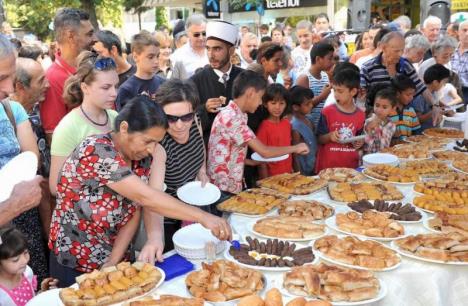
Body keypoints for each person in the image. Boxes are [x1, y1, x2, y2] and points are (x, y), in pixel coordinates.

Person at [49, 96, 231, 286]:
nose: (152, 149)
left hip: (116, 255)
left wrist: (113, 261)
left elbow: (134, 210)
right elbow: (147, 198)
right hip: (75, 259)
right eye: (147, 141)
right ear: (125, 128)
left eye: (156, 142)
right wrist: (203, 217)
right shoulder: (96, 151)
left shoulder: (141, 158)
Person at [207, 70, 309, 195]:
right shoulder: (232, 118)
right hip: (222, 189)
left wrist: (251, 162)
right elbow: (264, 151)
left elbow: (228, 151)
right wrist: (296, 147)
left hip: (230, 184)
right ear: (250, 93)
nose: (261, 103)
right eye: (261, 98)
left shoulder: (238, 114)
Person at [49, 51, 119, 195]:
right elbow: (55, 186)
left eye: (115, 86)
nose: (114, 93)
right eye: (106, 87)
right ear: (85, 87)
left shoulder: (115, 117)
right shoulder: (68, 127)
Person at [150, 79, 207, 250]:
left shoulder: (196, 121)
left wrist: (202, 172)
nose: (180, 125)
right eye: (171, 119)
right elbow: (153, 198)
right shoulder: (159, 145)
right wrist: (155, 239)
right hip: (169, 220)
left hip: (195, 206)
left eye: (186, 117)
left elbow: (200, 148)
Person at [40, 8, 96, 144]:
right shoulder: (53, 79)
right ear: (70, 36)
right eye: (89, 34)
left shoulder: (92, 67)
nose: (94, 39)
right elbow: (54, 137)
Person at [11, 57, 52, 236]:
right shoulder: (9, 121)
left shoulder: (38, 110)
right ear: (20, 86)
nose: (48, 85)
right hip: (25, 216)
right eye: (41, 80)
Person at [360, 31, 440, 121]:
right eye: (396, 51)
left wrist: (434, 105)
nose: (400, 54)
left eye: (402, 50)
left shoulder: (405, 65)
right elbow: (361, 98)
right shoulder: (368, 68)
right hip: (378, 120)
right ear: (384, 48)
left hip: (403, 120)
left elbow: (421, 87)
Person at [191, 20, 243, 145]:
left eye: (217, 49)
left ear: (231, 51)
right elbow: (185, 123)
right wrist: (204, 109)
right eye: (208, 49)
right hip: (210, 154)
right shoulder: (195, 81)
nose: (211, 55)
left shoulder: (245, 78)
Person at [315, 69, 365, 172]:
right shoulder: (327, 112)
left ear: (353, 91)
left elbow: (359, 138)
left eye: (340, 91)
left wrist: (360, 142)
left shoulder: (360, 115)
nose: (336, 94)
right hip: (327, 167)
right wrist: (330, 136)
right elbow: (319, 138)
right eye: (334, 90)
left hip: (350, 167)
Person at [0, 227, 58, 306]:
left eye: (25, 253)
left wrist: (44, 293)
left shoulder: (27, 272)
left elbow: (31, 300)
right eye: (16, 260)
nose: (24, 261)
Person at [115, 32, 165, 110]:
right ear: (135, 57)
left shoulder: (164, 83)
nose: (156, 61)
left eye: (157, 56)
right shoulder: (126, 90)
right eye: (150, 57)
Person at [256, 84, 292, 178]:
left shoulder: (287, 124)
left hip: (288, 174)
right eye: (273, 103)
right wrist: (265, 182)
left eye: (281, 103)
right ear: (265, 104)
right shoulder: (264, 127)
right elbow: (261, 160)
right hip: (272, 178)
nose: (277, 107)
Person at [296, 41, 335, 127]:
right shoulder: (304, 78)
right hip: (310, 127)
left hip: (323, 127)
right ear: (318, 59)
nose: (333, 62)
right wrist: (322, 96)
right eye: (330, 58)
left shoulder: (325, 75)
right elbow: (300, 107)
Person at [412, 64, 453, 132]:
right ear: (435, 82)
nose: (445, 85)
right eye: (444, 82)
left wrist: (446, 110)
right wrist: (433, 112)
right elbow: (417, 120)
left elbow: (438, 105)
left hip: (434, 131)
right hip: (423, 135)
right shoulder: (420, 97)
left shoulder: (434, 93)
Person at [171, 14, 209, 79]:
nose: (201, 37)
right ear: (188, 34)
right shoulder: (177, 56)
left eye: (204, 33)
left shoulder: (215, 52)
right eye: (196, 34)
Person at [290, 85, 317, 175]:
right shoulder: (295, 127)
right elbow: (295, 154)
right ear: (295, 107)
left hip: (313, 164)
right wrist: (299, 174)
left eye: (311, 102)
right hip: (303, 168)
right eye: (307, 104)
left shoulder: (309, 119)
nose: (311, 105)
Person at [364, 87, 397, 153]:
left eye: (384, 107)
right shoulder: (369, 122)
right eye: (377, 105)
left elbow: (386, 144)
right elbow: (366, 146)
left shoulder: (392, 125)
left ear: (393, 109)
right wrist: (371, 128)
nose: (379, 110)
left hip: (384, 159)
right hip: (369, 159)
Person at [389, 75, 421, 141]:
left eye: (413, 94)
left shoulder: (411, 111)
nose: (411, 97)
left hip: (407, 149)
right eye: (408, 94)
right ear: (397, 94)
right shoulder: (388, 111)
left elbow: (416, 132)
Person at [451, 20, 468, 105]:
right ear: (458, 32)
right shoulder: (450, 50)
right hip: (449, 91)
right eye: (464, 30)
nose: (467, 34)